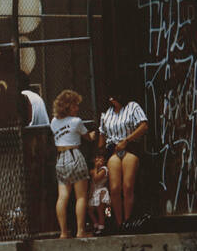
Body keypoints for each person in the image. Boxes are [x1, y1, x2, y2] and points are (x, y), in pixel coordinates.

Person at [0, 71, 50, 206]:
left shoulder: (24, 97)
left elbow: (28, 123)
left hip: (31, 139)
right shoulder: (31, 96)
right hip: (35, 137)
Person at [98, 94, 148, 230]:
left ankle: (127, 220)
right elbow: (102, 135)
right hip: (113, 149)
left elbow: (143, 125)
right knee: (114, 188)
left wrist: (127, 140)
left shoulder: (132, 106)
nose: (111, 99)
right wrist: (100, 153)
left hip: (129, 147)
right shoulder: (106, 113)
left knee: (127, 186)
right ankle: (119, 222)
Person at [50, 90, 95, 238]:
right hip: (75, 156)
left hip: (61, 159)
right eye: (75, 105)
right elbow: (89, 137)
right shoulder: (77, 122)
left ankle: (63, 232)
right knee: (81, 197)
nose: (77, 108)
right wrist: (94, 134)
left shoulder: (54, 122)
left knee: (62, 197)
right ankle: (80, 231)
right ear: (68, 106)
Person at [87, 154, 110, 236]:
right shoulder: (93, 170)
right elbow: (91, 183)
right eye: (96, 158)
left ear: (104, 160)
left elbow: (96, 179)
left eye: (100, 158)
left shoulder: (104, 169)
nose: (98, 159)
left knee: (101, 210)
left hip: (101, 191)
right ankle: (96, 224)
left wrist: (96, 168)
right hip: (94, 191)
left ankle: (101, 227)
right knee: (90, 210)